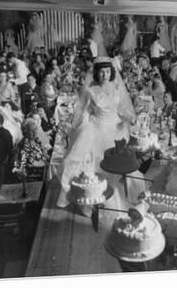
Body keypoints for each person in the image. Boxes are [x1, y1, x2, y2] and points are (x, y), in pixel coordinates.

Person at [60, 57, 139, 210]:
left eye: (108, 72)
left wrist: (127, 119)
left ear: (111, 73)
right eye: (101, 72)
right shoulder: (90, 91)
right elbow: (83, 113)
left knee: (117, 163)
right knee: (98, 163)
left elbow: (122, 108)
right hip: (98, 129)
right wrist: (86, 126)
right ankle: (97, 197)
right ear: (97, 73)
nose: (105, 75)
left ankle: (118, 193)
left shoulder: (117, 88)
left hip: (117, 129)